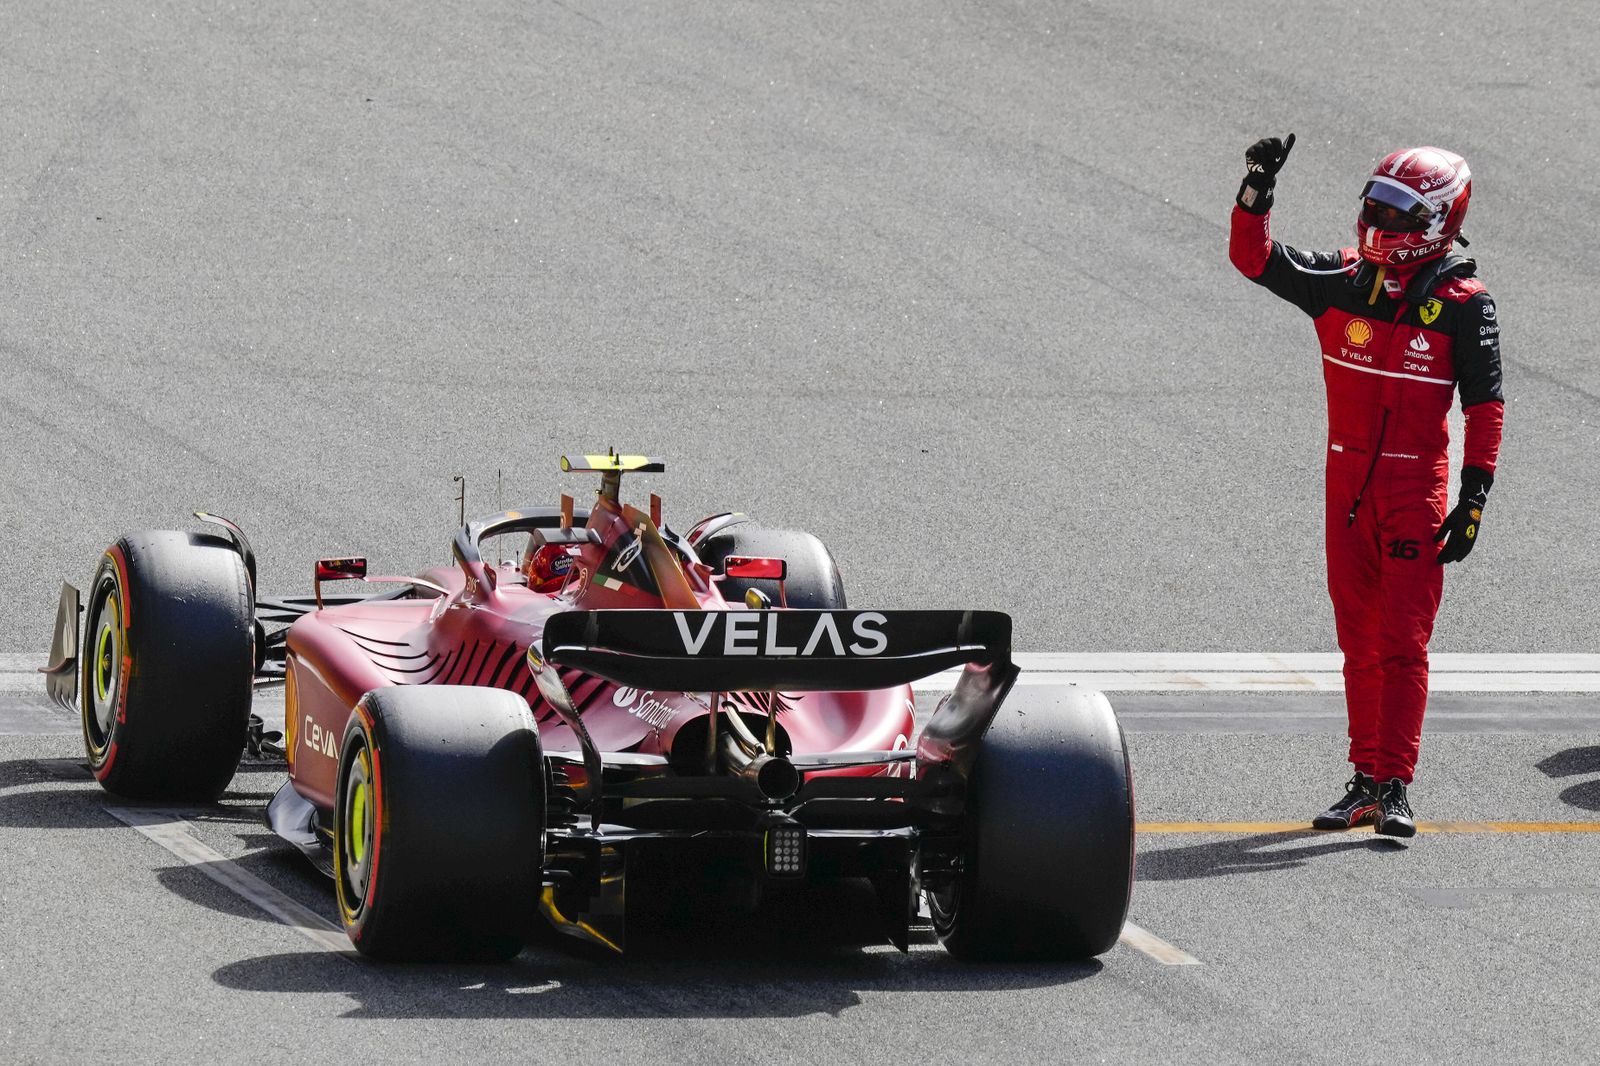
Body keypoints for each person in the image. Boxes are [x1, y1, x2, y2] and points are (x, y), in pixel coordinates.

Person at [1229, 135, 1504, 837]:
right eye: (1376, 206)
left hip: (1417, 494)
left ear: (1440, 220)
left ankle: (1395, 785)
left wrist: (1474, 497)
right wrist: (1256, 190)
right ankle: (1361, 782)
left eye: (1399, 212)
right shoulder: (1342, 280)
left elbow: (1485, 406)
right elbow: (1252, 257)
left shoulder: (1465, 303)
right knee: (1357, 640)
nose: (1381, 222)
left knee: (1403, 643)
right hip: (1346, 488)